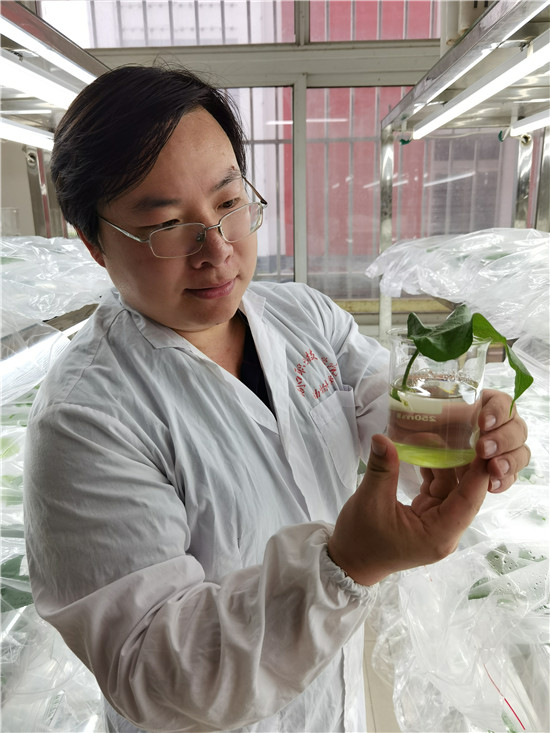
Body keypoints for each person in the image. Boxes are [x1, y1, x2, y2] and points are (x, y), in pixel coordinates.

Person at [23, 65, 530, 733]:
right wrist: (346, 566)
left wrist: (454, 431)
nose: (217, 249)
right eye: (168, 224)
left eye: (229, 202)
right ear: (95, 243)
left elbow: (374, 400)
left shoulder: (301, 316)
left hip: (329, 702)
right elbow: (155, 671)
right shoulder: (86, 420)